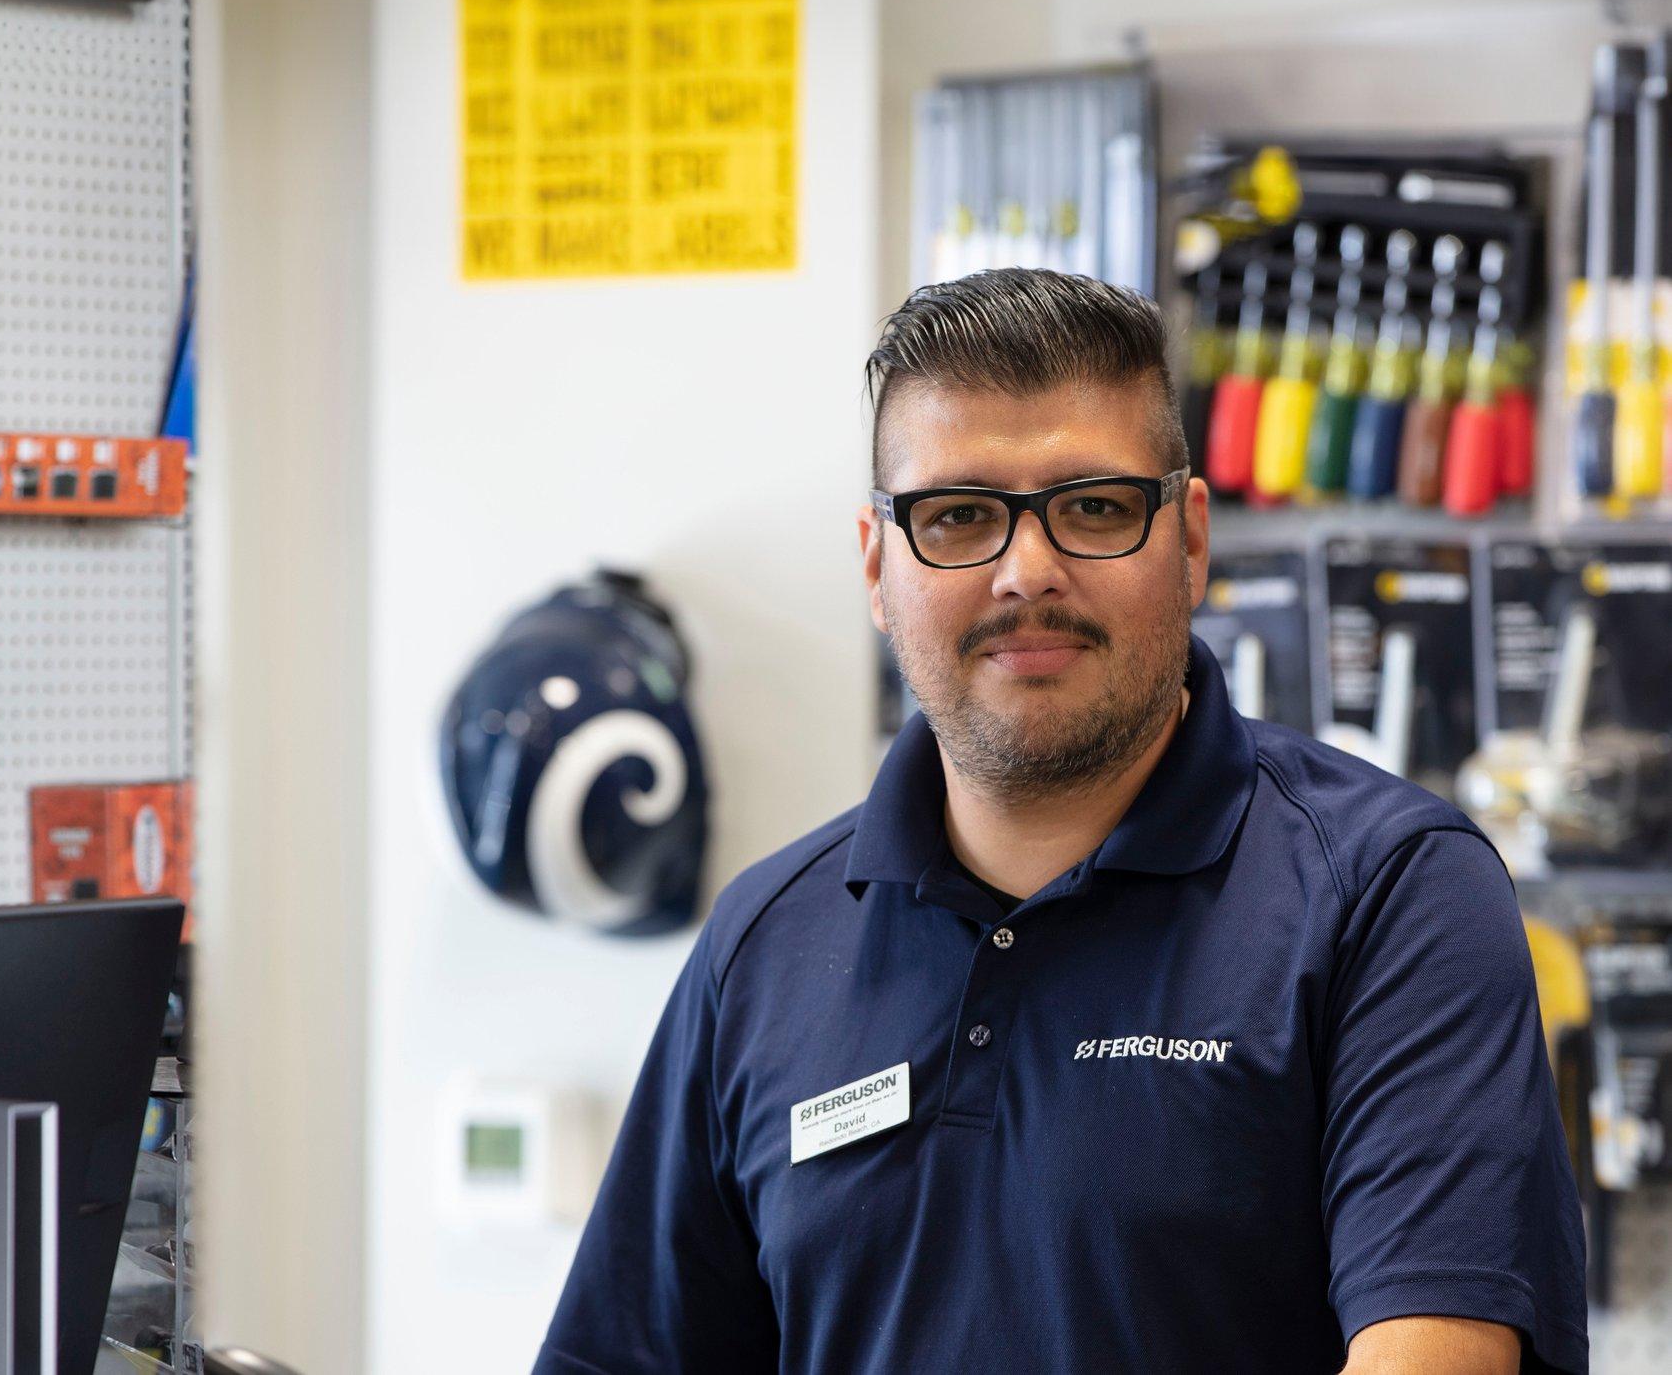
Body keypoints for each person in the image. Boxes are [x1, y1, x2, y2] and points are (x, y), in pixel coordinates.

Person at [536, 270, 1585, 1374]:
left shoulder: (1386, 891)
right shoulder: (758, 945)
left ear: (1185, 537)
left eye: (1091, 506)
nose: (1024, 571)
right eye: (956, 517)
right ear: (875, 564)